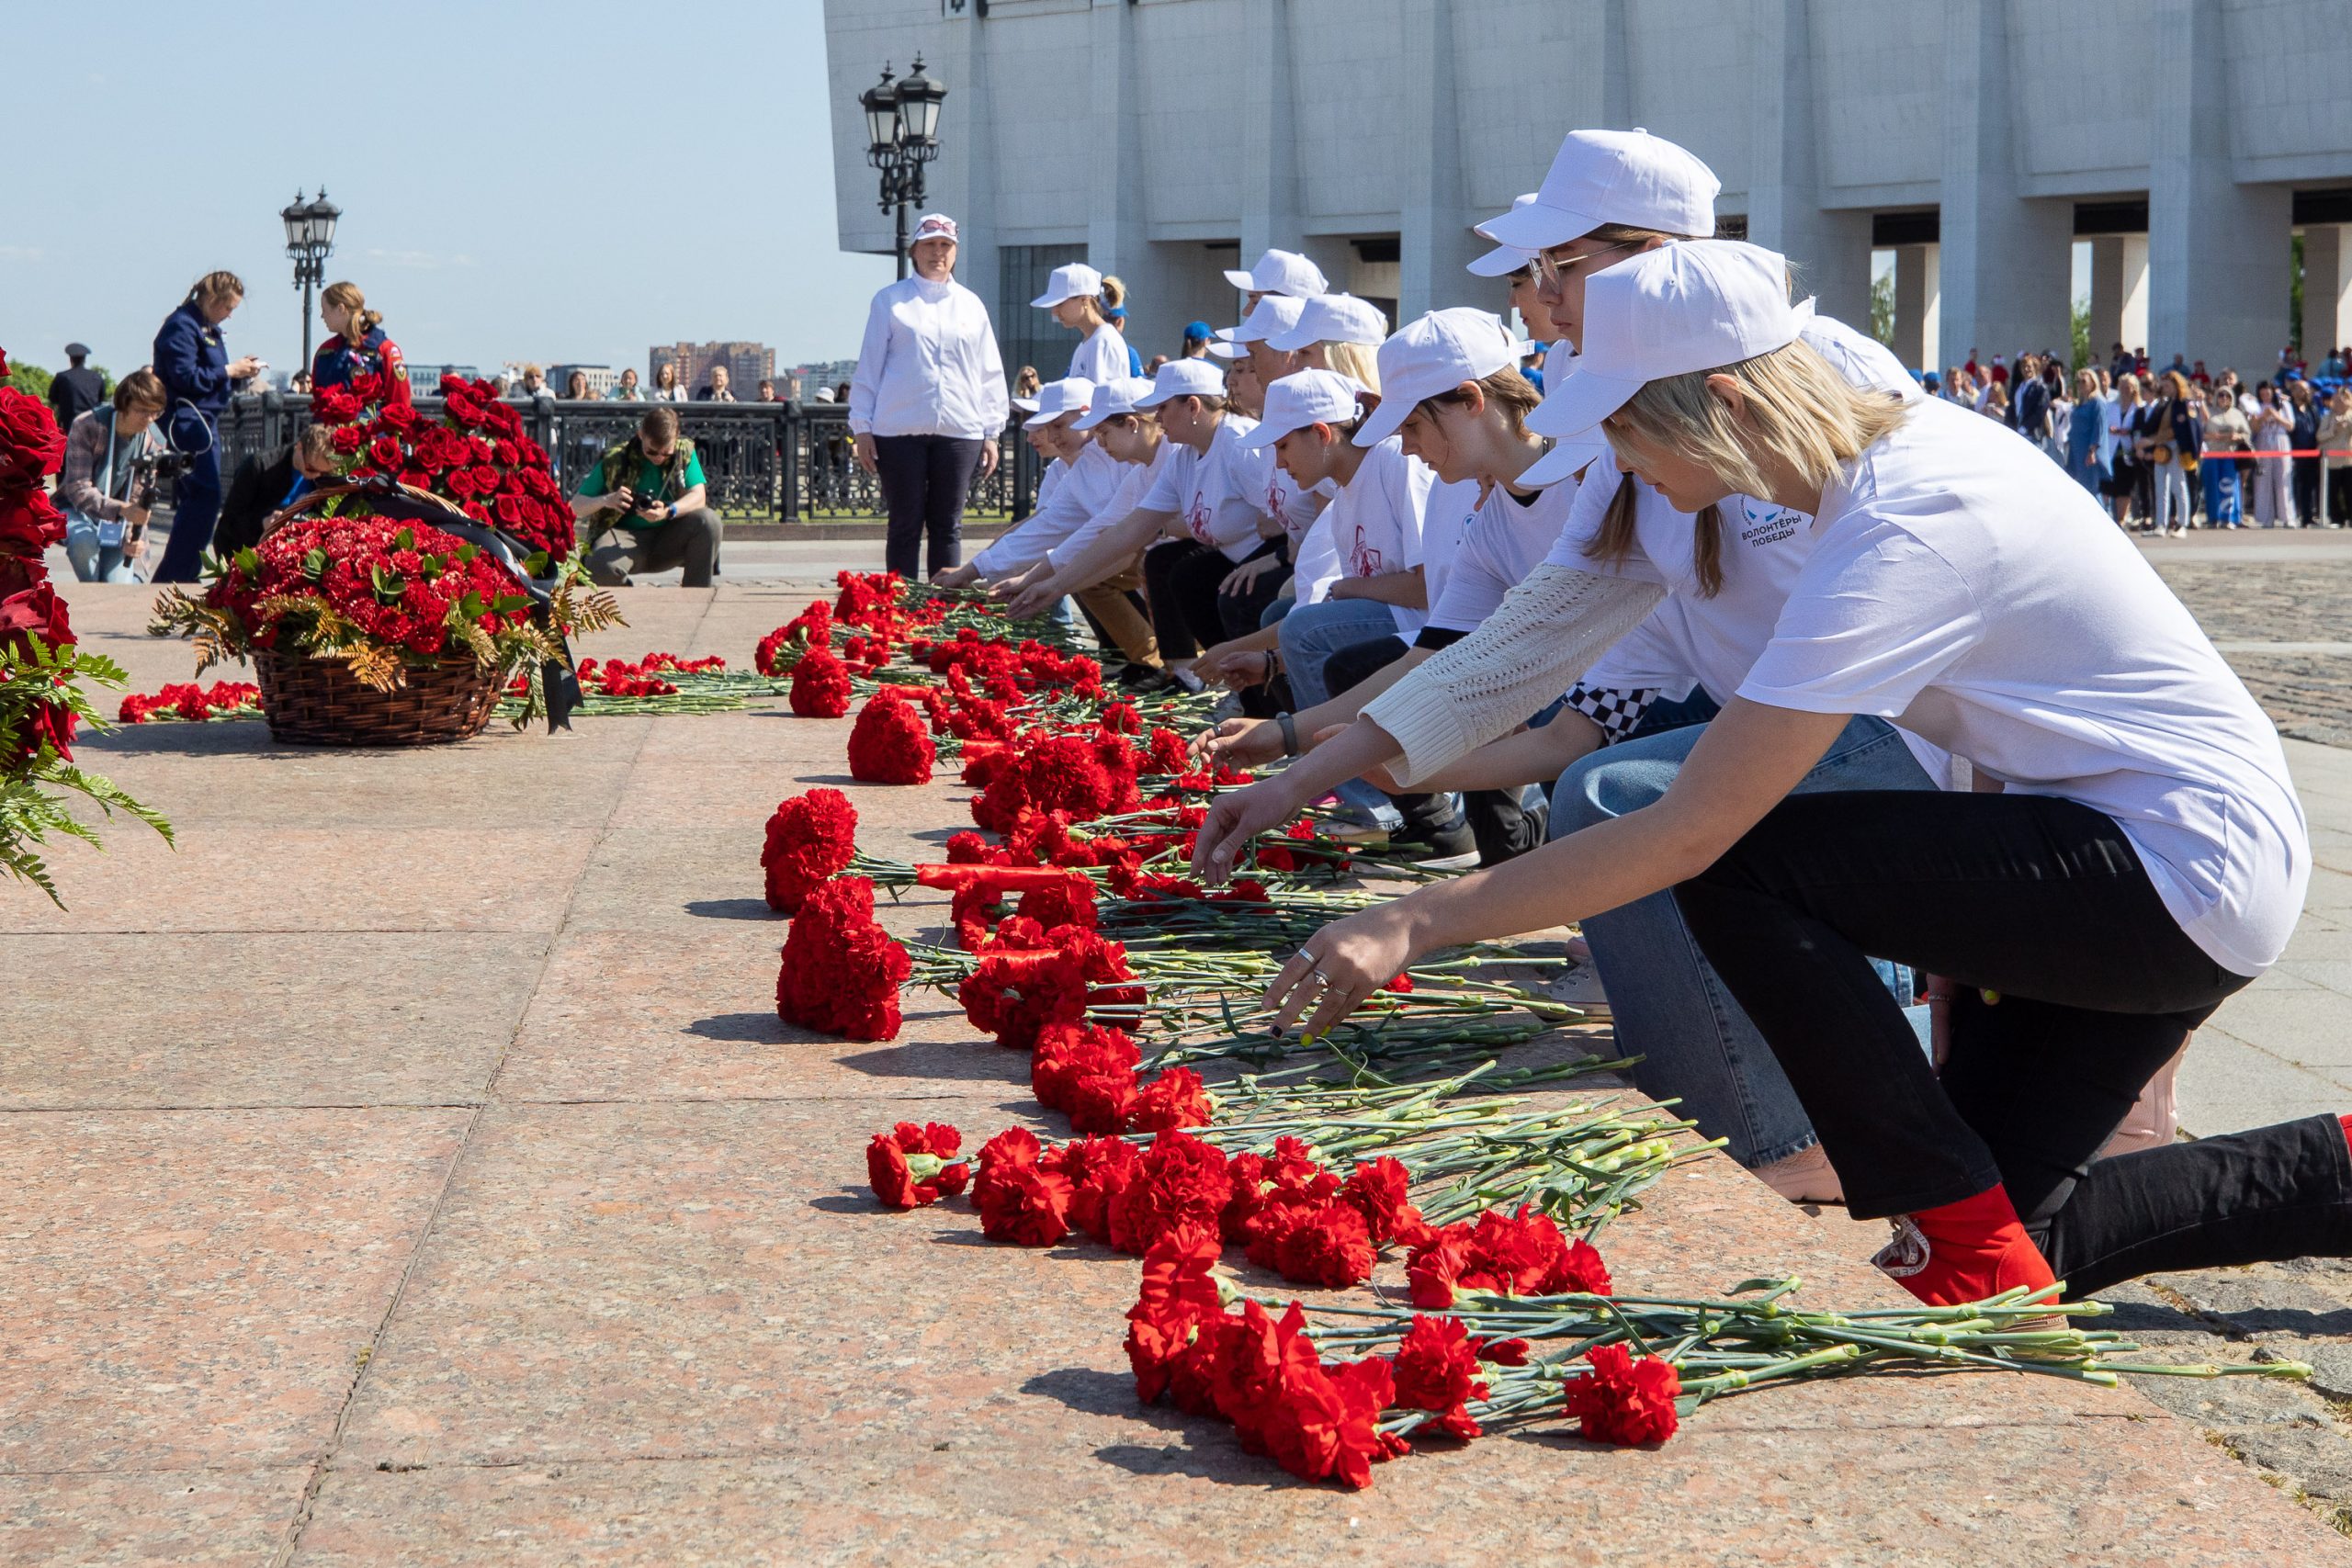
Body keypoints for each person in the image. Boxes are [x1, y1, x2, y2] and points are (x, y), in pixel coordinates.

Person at [1208, 240, 2334, 1308]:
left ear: (1723, 406)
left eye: (1624, 430)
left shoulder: (1906, 516)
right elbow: (1520, 647)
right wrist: (1968, 942)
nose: (1615, 461)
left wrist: (1414, 922)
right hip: (2102, 850)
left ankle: (1941, 1222)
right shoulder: (1838, 475)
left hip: (2166, 864)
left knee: (1739, 864)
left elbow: (1693, 829)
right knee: (2018, 1242)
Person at [847, 211, 1009, 580]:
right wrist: (862, 427)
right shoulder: (890, 301)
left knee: (948, 524)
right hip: (898, 429)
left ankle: (941, 604)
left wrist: (992, 432)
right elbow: (869, 367)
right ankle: (901, 603)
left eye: (946, 245)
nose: (938, 252)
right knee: (904, 522)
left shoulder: (971, 305)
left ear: (955, 252)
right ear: (914, 251)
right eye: (930, 244)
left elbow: (989, 371)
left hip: (960, 429)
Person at [149, 270, 265, 583]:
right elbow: (186, 377)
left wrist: (238, 374)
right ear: (212, 299)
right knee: (204, 496)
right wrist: (229, 370)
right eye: (227, 307)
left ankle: (178, 572)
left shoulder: (205, 327)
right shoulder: (181, 326)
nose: (229, 315)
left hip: (203, 421)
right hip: (189, 422)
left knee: (202, 499)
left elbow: (210, 377)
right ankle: (178, 574)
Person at [570, 406, 722, 587]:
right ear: (640, 434)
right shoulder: (615, 458)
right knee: (600, 566)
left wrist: (669, 511)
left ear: (676, 438)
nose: (659, 457)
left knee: (709, 521)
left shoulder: (684, 452)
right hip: (623, 536)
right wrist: (607, 500)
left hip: (670, 535)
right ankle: (624, 589)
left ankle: (697, 591)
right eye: (651, 451)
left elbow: (698, 496)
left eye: (666, 453)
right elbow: (576, 505)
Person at [58, 369, 169, 582]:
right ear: (123, 404)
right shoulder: (88, 424)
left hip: (118, 520)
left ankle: (129, 582)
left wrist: (133, 535)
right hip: (76, 509)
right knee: (83, 542)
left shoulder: (153, 439)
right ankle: (95, 593)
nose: (149, 419)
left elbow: (139, 499)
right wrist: (122, 509)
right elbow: (78, 489)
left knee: (115, 584)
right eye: (142, 411)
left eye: (155, 413)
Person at [212, 423, 343, 559]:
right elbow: (228, 524)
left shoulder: (322, 476)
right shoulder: (260, 465)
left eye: (323, 473)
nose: (315, 476)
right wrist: (263, 523)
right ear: (299, 447)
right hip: (248, 551)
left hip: (294, 553)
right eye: (311, 469)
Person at [311, 282, 410, 410]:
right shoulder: (325, 351)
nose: (322, 316)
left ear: (340, 309)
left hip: (371, 422)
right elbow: (318, 398)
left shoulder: (385, 350)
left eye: (325, 310)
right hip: (330, 422)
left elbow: (400, 405)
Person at [1032, 262, 1130, 386]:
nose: (1054, 312)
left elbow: (1110, 396)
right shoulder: (1087, 344)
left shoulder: (1106, 342)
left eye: (1060, 303)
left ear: (1084, 300)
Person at [2138, 371, 2197, 536]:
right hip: (2162, 449)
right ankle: (2160, 525)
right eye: (2163, 386)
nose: (2165, 389)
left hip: (2176, 448)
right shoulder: (2166, 404)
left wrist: (2151, 441)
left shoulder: (2184, 404)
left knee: (2178, 486)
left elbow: (2179, 430)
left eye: (2168, 386)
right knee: (2160, 488)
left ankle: (2182, 524)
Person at [2202, 387, 2250, 528]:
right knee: (2212, 486)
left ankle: (2229, 518)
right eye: (2221, 395)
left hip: (2230, 453)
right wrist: (2212, 436)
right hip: (2212, 453)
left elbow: (2247, 433)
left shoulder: (2237, 414)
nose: (2224, 398)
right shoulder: (2209, 412)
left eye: (2227, 396)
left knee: (2229, 485)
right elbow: (2200, 432)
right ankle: (2213, 518)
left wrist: (2238, 436)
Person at [2250, 382, 2297, 525]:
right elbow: (2254, 428)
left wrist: (2276, 416)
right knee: (2263, 480)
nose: (2265, 396)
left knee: (2283, 479)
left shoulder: (2284, 405)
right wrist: (2262, 417)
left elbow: (2290, 425)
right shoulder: (2256, 407)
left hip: (2280, 440)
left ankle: (2288, 518)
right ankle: (2265, 518)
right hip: (2263, 441)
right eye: (2262, 394)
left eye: (2268, 393)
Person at [2064, 367, 2110, 497]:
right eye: (2078, 382)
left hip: (2088, 450)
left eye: (2083, 381)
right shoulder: (2079, 404)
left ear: (2092, 383)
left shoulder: (2097, 403)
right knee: (2078, 485)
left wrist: (2092, 451)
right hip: (2076, 449)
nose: (2080, 385)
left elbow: (2099, 428)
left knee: (2091, 488)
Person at [47, 343, 105, 434]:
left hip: (69, 426)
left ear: (70, 359)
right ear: (84, 360)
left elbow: (52, 398)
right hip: (92, 426)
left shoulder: (62, 376)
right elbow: (100, 401)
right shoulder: (97, 377)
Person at [2289, 378, 2324, 526]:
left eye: (2307, 390)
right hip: (2294, 453)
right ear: (2293, 391)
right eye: (2302, 389)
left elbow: (2318, 428)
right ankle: (2293, 515)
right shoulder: (2289, 408)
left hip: (2311, 453)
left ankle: (2307, 516)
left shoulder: (2312, 409)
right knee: (2294, 486)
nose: (2305, 392)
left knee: (2308, 486)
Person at [2320, 387, 2352, 528]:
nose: (2338, 404)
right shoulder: (2328, 417)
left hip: (2348, 459)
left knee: (2349, 491)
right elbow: (2319, 436)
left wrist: (2347, 423)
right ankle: (2336, 518)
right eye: (2336, 401)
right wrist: (2333, 430)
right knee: (2332, 491)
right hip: (2332, 460)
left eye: (2342, 401)